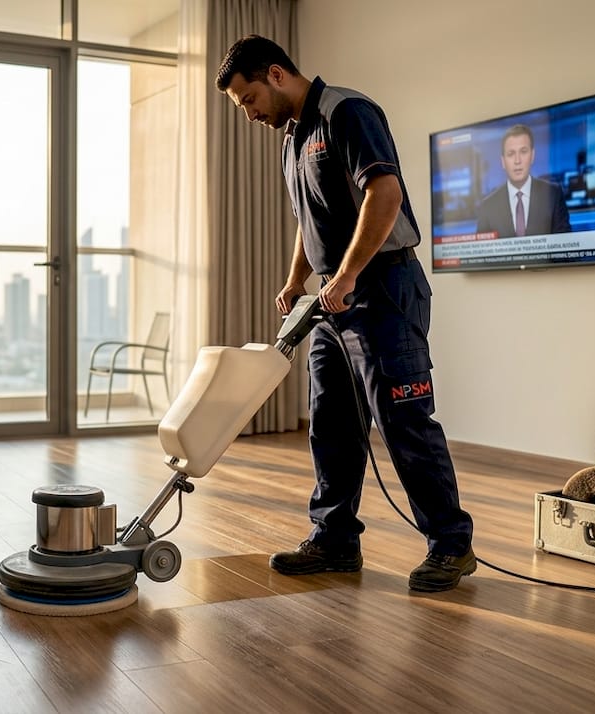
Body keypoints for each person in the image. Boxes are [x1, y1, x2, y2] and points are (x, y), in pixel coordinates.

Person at [215, 35, 475, 592]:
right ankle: (335, 540)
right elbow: (307, 221)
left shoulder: (346, 112)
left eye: (249, 99)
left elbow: (384, 194)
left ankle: (452, 545)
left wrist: (350, 273)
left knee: (404, 421)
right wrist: (297, 280)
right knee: (330, 421)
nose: (250, 114)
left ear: (276, 74)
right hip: (332, 301)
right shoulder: (291, 139)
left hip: (383, 289)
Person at [475, 124, 572, 237]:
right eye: (511, 154)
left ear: (532, 156)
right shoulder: (488, 206)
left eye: (523, 152)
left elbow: (564, 244)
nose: (517, 160)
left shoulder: (553, 194)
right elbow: (483, 247)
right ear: (503, 161)